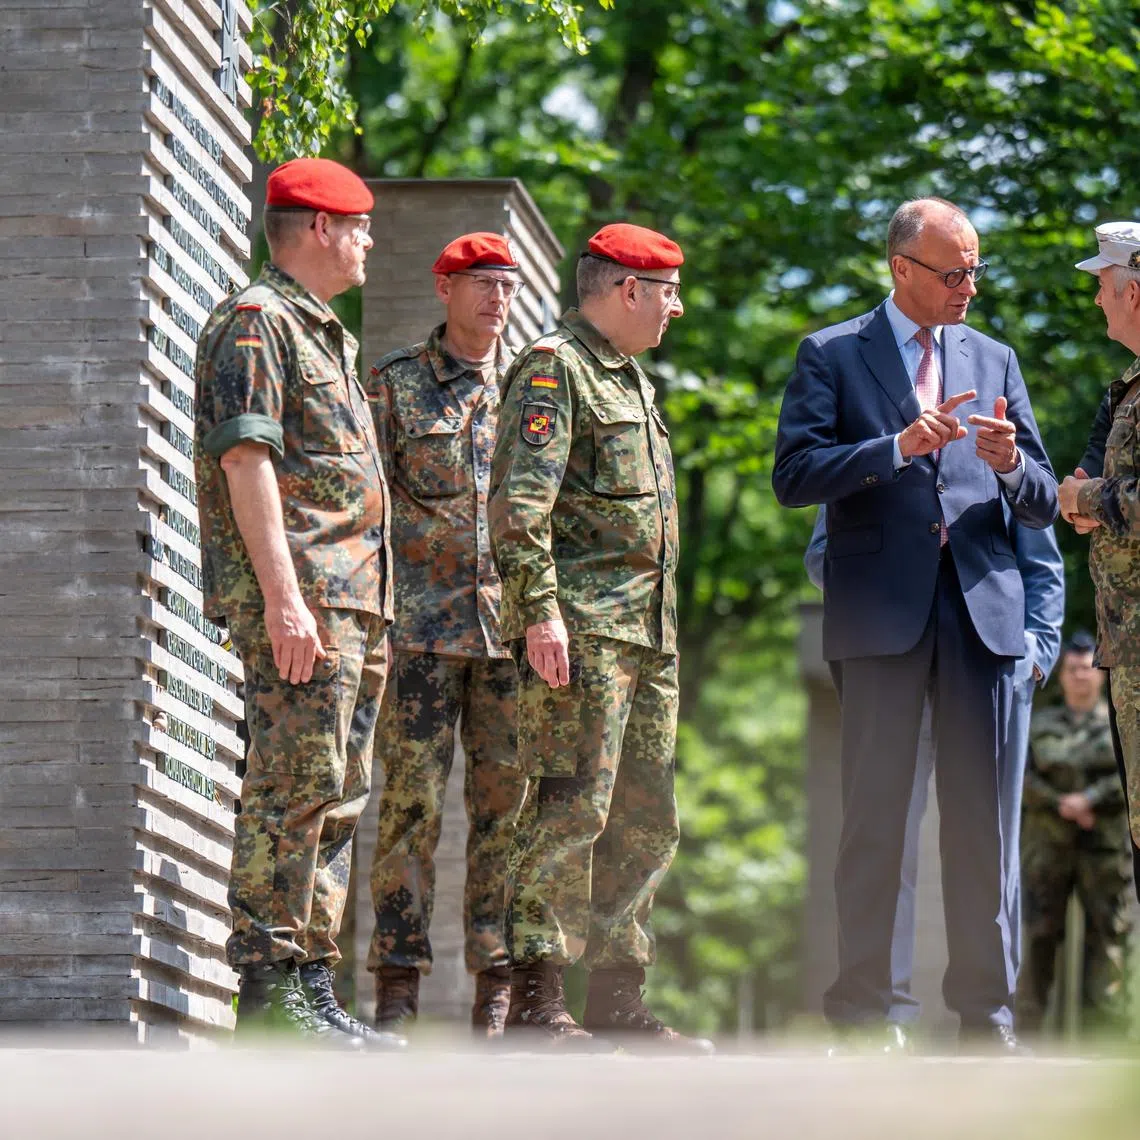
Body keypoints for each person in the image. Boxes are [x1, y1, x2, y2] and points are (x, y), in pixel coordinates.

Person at [773, 197, 1058, 1054]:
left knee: (984, 829)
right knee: (876, 825)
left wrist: (1012, 465)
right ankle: (867, 1015)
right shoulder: (830, 353)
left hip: (985, 618)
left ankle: (987, 1016)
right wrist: (895, 448)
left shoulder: (997, 358)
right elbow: (794, 476)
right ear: (902, 268)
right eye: (953, 271)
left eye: (975, 268)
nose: (969, 285)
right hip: (880, 618)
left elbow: (1044, 498)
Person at [194, 157, 403, 1049]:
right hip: (307, 599)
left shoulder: (327, 336)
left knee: (337, 794)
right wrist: (283, 601)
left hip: (355, 602)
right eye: (357, 226)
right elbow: (248, 463)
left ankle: (312, 987)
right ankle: (271, 989)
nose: (366, 242)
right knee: (291, 789)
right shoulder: (256, 325)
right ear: (318, 227)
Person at [489, 223, 710, 1053]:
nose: (676, 309)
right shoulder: (557, 367)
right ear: (627, 289)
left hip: (649, 638)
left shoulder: (634, 382)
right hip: (582, 632)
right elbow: (519, 507)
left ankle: (620, 996)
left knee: (647, 817)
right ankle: (539, 999)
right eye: (667, 292)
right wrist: (539, 613)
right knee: (568, 806)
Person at [804, 507, 1064, 1027]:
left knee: (989, 840)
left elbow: (1042, 562)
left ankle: (988, 1015)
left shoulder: (998, 434)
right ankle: (883, 1014)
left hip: (988, 671)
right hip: (889, 666)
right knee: (884, 840)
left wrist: (1034, 653)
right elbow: (821, 553)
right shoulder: (874, 438)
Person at [364, 233, 528, 1038]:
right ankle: (396, 989)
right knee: (408, 812)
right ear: (444, 289)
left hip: (510, 640)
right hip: (418, 637)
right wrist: (377, 616)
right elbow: (368, 512)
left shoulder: (536, 390)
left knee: (505, 815)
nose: (497, 299)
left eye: (508, 285)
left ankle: (496, 992)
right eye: (481, 284)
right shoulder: (394, 386)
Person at [1060, 220, 1140, 903]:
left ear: (1135, 295)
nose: (1096, 301)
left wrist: (1086, 494)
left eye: (1104, 288)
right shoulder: (1126, 389)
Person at [1016, 633, 1133, 1035]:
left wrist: (1089, 799)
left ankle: (1105, 1039)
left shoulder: (1121, 721)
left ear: (1099, 675)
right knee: (1037, 939)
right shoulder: (1039, 721)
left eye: (1087, 668)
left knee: (1108, 940)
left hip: (1103, 850)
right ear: (1061, 675)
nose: (1081, 676)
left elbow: (1128, 775)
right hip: (1046, 848)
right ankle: (1023, 1035)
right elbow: (1021, 774)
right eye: (1072, 669)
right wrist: (1061, 802)